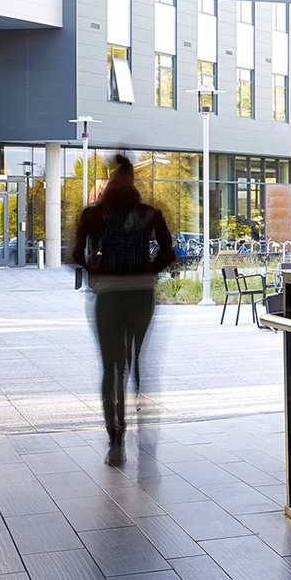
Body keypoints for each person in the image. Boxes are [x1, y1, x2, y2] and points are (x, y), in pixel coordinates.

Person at [70, 155, 177, 460]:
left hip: (109, 295)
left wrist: (98, 271)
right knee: (140, 362)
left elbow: (76, 253)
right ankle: (145, 428)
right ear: (134, 182)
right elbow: (169, 254)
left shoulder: (95, 214)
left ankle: (116, 436)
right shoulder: (149, 214)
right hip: (141, 296)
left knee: (112, 367)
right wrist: (147, 270)